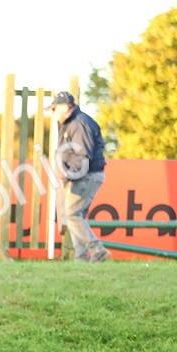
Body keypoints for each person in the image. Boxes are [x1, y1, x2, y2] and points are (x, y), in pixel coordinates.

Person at [49, 91, 110, 262]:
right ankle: (81, 258)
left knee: (72, 215)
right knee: (76, 217)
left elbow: (83, 156)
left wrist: (68, 175)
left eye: (54, 109)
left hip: (87, 175)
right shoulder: (71, 122)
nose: (52, 113)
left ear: (64, 107)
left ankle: (97, 249)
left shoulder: (79, 124)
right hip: (85, 175)